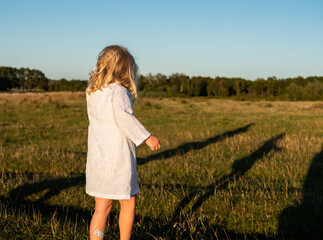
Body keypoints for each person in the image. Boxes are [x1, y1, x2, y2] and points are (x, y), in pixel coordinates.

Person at [85, 45, 161, 240]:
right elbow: (123, 117)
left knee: (101, 208)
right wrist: (147, 137)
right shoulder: (118, 91)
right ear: (124, 69)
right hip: (117, 159)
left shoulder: (93, 92)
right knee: (128, 203)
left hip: (98, 157)